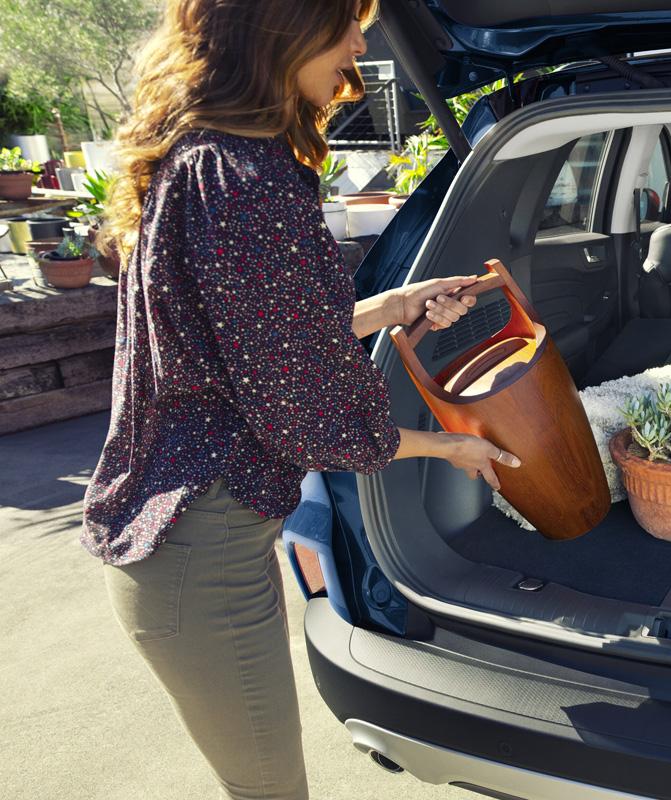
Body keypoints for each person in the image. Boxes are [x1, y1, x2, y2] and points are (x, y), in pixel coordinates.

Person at [81, 2, 518, 797]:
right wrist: (453, 446)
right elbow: (314, 417)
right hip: (199, 549)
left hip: (188, 540)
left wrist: (392, 306)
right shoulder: (248, 181)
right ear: (277, 25)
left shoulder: (204, 159)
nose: (360, 43)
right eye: (346, 21)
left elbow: (259, 346)